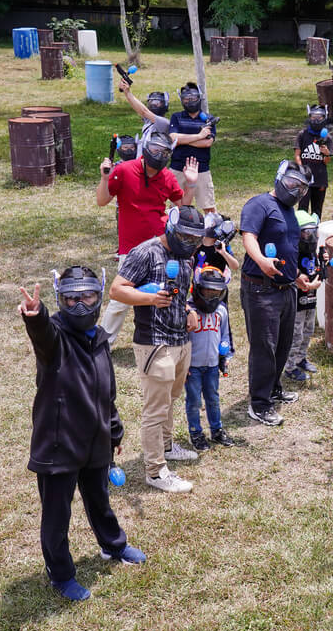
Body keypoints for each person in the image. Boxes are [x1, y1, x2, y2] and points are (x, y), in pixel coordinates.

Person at [17, 267, 146, 601]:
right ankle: (60, 574)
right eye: (70, 298)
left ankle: (113, 546)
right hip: (59, 447)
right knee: (57, 516)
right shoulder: (56, 338)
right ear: (60, 300)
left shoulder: (101, 339)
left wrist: (114, 431)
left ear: (98, 296)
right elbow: (43, 335)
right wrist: (36, 316)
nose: (78, 305)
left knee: (100, 501)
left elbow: (106, 392)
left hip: (95, 442)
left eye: (86, 296)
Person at [109, 206, 204, 493]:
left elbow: (176, 290)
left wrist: (187, 308)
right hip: (155, 343)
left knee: (170, 399)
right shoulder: (145, 253)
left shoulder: (184, 256)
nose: (189, 243)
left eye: (194, 239)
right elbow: (117, 290)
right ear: (171, 229)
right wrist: (149, 299)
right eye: (184, 236)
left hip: (180, 340)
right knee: (155, 408)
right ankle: (155, 470)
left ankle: (166, 446)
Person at [96, 132, 198, 344]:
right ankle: (102, 345)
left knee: (164, 293)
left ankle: (163, 336)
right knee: (120, 300)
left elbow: (184, 209)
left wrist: (191, 184)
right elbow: (102, 200)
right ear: (146, 149)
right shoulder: (124, 170)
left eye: (164, 152)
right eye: (155, 150)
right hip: (131, 248)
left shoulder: (167, 177)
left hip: (160, 246)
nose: (159, 155)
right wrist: (105, 178)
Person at [239, 161, 314, 426]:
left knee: (282, 344)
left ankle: (273, 388)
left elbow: (288, 249)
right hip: (260, 288)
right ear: (279, 179)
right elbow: (248, 236)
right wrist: (261, 260)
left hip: (287, 289)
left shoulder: (290, 212)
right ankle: (259, 404)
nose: (296, 191)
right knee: (264, 347)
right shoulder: (259, 205)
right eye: (293, 184)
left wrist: (296, 276)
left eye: (302, 189)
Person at [185, 265, 235, 451]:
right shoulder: (189, 310)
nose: (211, 296)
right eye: (207, 291)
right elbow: (182, 340)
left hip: (212, 365)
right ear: (198, 289)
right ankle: (195, 433)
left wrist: (225, 356)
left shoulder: (221, 310)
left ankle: (217, 430)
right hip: (193, 367)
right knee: (194, 401)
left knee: (213, 398)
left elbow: (225, 336)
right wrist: (183, 365)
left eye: (216, 292)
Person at [196, 212, 240, 374]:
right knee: (200, 319)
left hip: (219, 291)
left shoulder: (222, 246)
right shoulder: (197, 245)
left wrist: (223, 252)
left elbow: (235, 266)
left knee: (222, 321)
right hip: (199, 290)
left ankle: (226, 353)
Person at [284, 210, 323, 382]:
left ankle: (301, 358)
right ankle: (290, 367)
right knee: (296, 334)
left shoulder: (313, 253)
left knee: (308, 331)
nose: (311, 237)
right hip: (297, 303)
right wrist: (309, 285)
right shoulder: (292, 254)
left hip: (311, 300)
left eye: (313, 232)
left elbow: (319, 272)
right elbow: (292, 277)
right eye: (306, 233)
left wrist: (325, 262)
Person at [169, 82, 217, 215]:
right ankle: (176, 234)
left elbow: (207, 143)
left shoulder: (208, 119)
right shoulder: (176, 117)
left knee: (209, 207)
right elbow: (173, 138)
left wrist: (183, 140)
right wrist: (199, 136)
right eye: (186, 98)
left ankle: (211, 233)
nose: (190, 101)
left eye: (193, 98)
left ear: (199, 97)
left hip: (201, 168)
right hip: (178, 167)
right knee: (176, 207)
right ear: (181, 99)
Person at [294, 104, 333, 218]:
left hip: (320, 179)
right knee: (302, 209)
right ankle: (301, 232)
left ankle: (315, 231)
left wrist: (326, 153)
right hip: (304, 179)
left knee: (317, 210)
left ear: (324, 118)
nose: (316, 120)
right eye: (313, 117)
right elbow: (297, 155)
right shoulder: (302, 134)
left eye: (319, 117)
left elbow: (326, 161)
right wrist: (302, 170)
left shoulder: (327, 138)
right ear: (309, 117)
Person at [118, 77, 170, 154]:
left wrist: (128, 92)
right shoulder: (149, 120)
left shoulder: (164, 123)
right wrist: (126, 92)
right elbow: (138, 108)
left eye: (157, 102)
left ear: (164, 105)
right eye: (151, 102)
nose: (154, 105)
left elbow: (144, 111)